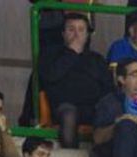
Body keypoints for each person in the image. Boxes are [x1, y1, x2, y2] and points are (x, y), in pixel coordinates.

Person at [38, 13, 111, 148]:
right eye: (71, 29)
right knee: (69, 113)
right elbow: (50, 77)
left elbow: (108, 88)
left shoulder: (97, 59)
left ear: (88, 34)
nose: (77, 34)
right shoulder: (51, 55)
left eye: (81, 30)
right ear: (63, 33)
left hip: (93, 108)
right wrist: (72, 53)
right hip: (64, 107)